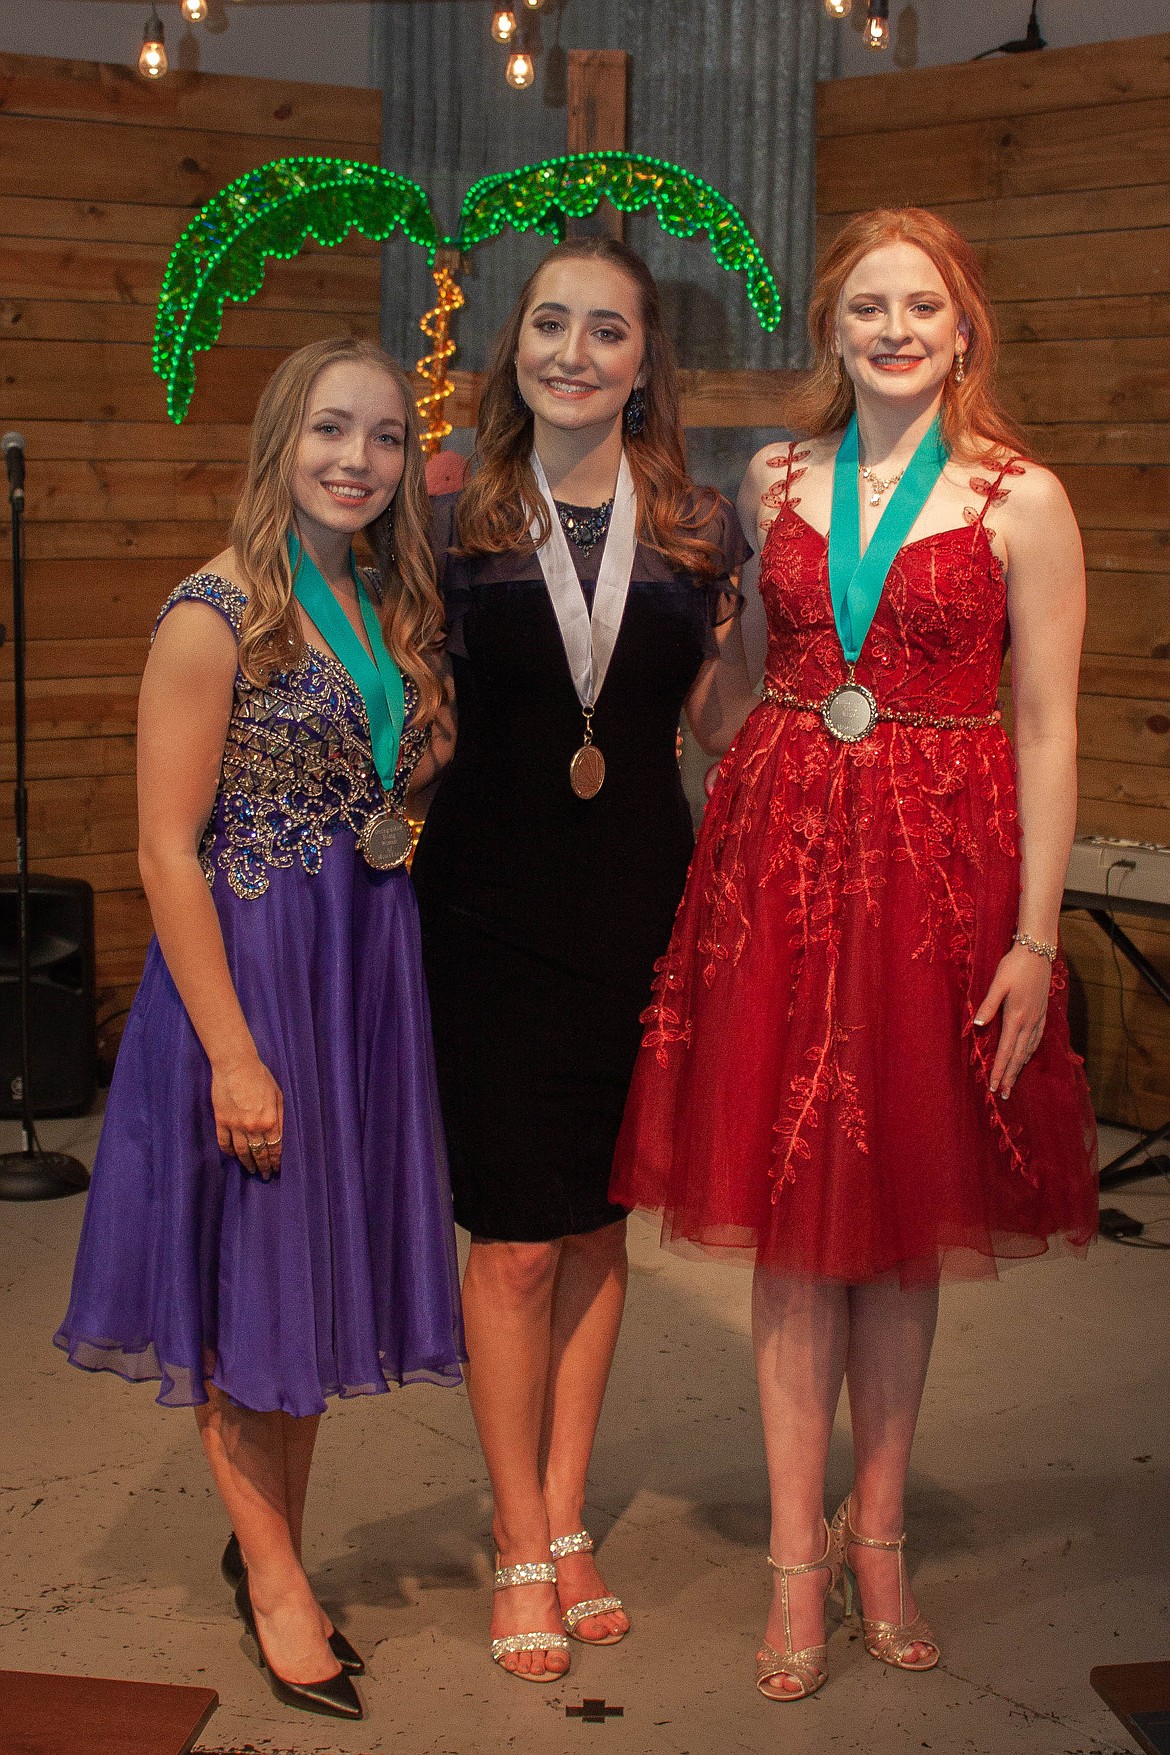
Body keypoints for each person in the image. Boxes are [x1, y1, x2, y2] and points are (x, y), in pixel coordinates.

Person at [611, 208, 1098, 1702]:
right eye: (866, 307)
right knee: (782, 1218)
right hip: (779, 864)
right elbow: (742, 682)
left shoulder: (1023, 499)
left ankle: (875, 1534)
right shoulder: (771, 481)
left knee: (895, 1225)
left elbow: (1047, 725)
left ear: (963, 331)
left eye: (920, 307)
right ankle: (788, 1557)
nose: (893, 330)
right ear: (832, 330)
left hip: (941, 876)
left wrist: (1033, 935)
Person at [54, 337, 465, 1722]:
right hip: (252, 978)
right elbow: (167, 852)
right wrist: (232, 1050)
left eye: (386, 438)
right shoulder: (210, 613)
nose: (357, 460)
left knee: (307, 1281)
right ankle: (280, 1583)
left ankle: (269, 1542)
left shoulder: (378, 601)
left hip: (359, 971)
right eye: (330, 432)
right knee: (250, 1288)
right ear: (278, 443)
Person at [411, 236, 757, 1681]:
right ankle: (512, 1537)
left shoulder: (693, 523)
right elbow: (404, 702)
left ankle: (563, 1518)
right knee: (512, 1245)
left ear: (640, 362)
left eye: (603, 331)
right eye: (547, 323)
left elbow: (721, 721)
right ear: (516, 347)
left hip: (636, 903)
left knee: (605, 1224)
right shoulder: (448, 512)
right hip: (485, 909)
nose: (570, 350)